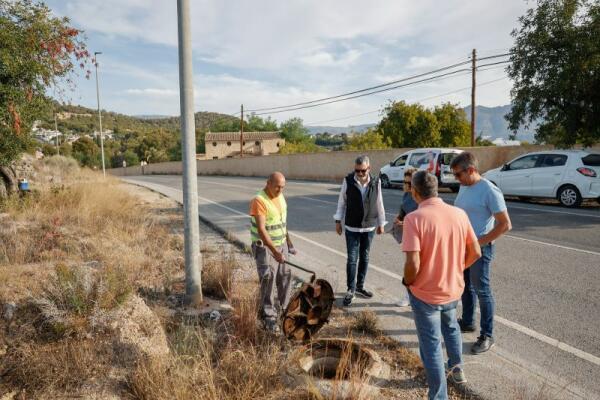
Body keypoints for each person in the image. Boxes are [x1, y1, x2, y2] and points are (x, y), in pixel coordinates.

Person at [402, 171, 482, 400]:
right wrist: (458, 268)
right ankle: (457, 368)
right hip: (453, 288)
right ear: (436, 189)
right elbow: (475, 251)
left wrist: (408, 282)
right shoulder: (459, 214)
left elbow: (412, 263)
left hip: (425, 292)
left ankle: (438, 396)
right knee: (451, 327)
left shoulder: (414, 219)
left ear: (415, 192)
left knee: (431, 346)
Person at [450, 152, 512, 354]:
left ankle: (487, 335)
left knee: (482, 291)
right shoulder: (464, 186)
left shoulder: (490, 191)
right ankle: (468, 321)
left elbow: (505, 225)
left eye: (458, 175)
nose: (456, 179)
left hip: (480, 249)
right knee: (465, 286)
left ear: (471, 170)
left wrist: (476, 243)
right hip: (462, 246)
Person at [334, 155, 386, 306]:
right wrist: (338, 221)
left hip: (369, 227)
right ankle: (350, 289)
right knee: (352, 259)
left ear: (369, 169)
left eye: (363, 171)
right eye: (357, 171)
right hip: (352, 226)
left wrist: (381, 223)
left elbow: (379, 202)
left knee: (365, 257)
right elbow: (341, 202)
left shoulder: (376, 182)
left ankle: (360, 286)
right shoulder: (348, 180)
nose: (360, 174)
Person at [249, 172, 296, 333]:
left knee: (285, 275)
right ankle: (268, 315)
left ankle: (285, 310)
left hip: (281, 244)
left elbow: (282, 223)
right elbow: (262, 230)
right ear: (268, 183)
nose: (280, 190)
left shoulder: (280, 197)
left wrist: (288, 243)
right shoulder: (259, 200)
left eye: (282, 187)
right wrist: (275, 251)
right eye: (277, 186)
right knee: (268, 278)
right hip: (264, 247)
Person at [393, 167, 418, 307]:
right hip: (408, 236)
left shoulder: (420, 196)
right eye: (405, 182)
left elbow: (423, 218)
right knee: (410, 268)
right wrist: (398, 219)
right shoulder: (406, 195)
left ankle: (416, 297)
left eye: (411, 183)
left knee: (418, 268)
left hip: (420, 237)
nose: (407, 186)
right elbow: (402, 212)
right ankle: (409, 296)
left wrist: (405, 222)